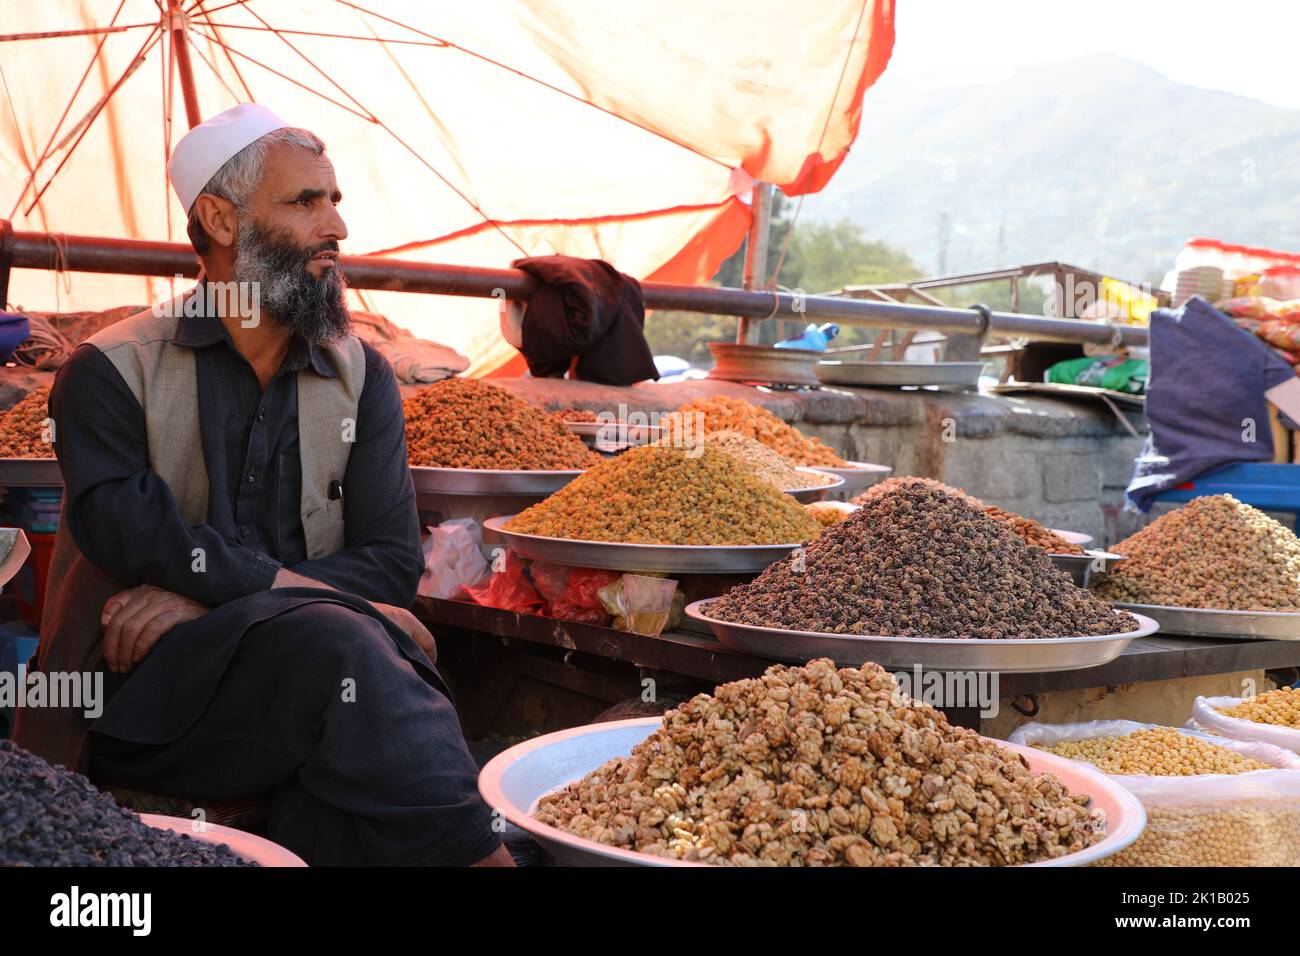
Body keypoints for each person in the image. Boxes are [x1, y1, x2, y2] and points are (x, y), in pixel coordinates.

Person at [13, 103, 510, 867]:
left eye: (335, 200)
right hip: (137, 697)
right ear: (218, 217)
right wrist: (304, 600)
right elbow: (134, 536)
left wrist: (213, 598)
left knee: (347, 680)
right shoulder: (110, 372)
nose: (336, 227)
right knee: (351, 642)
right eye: (305, 201)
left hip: (294, 685)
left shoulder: (362, 375)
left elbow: (389, 564)